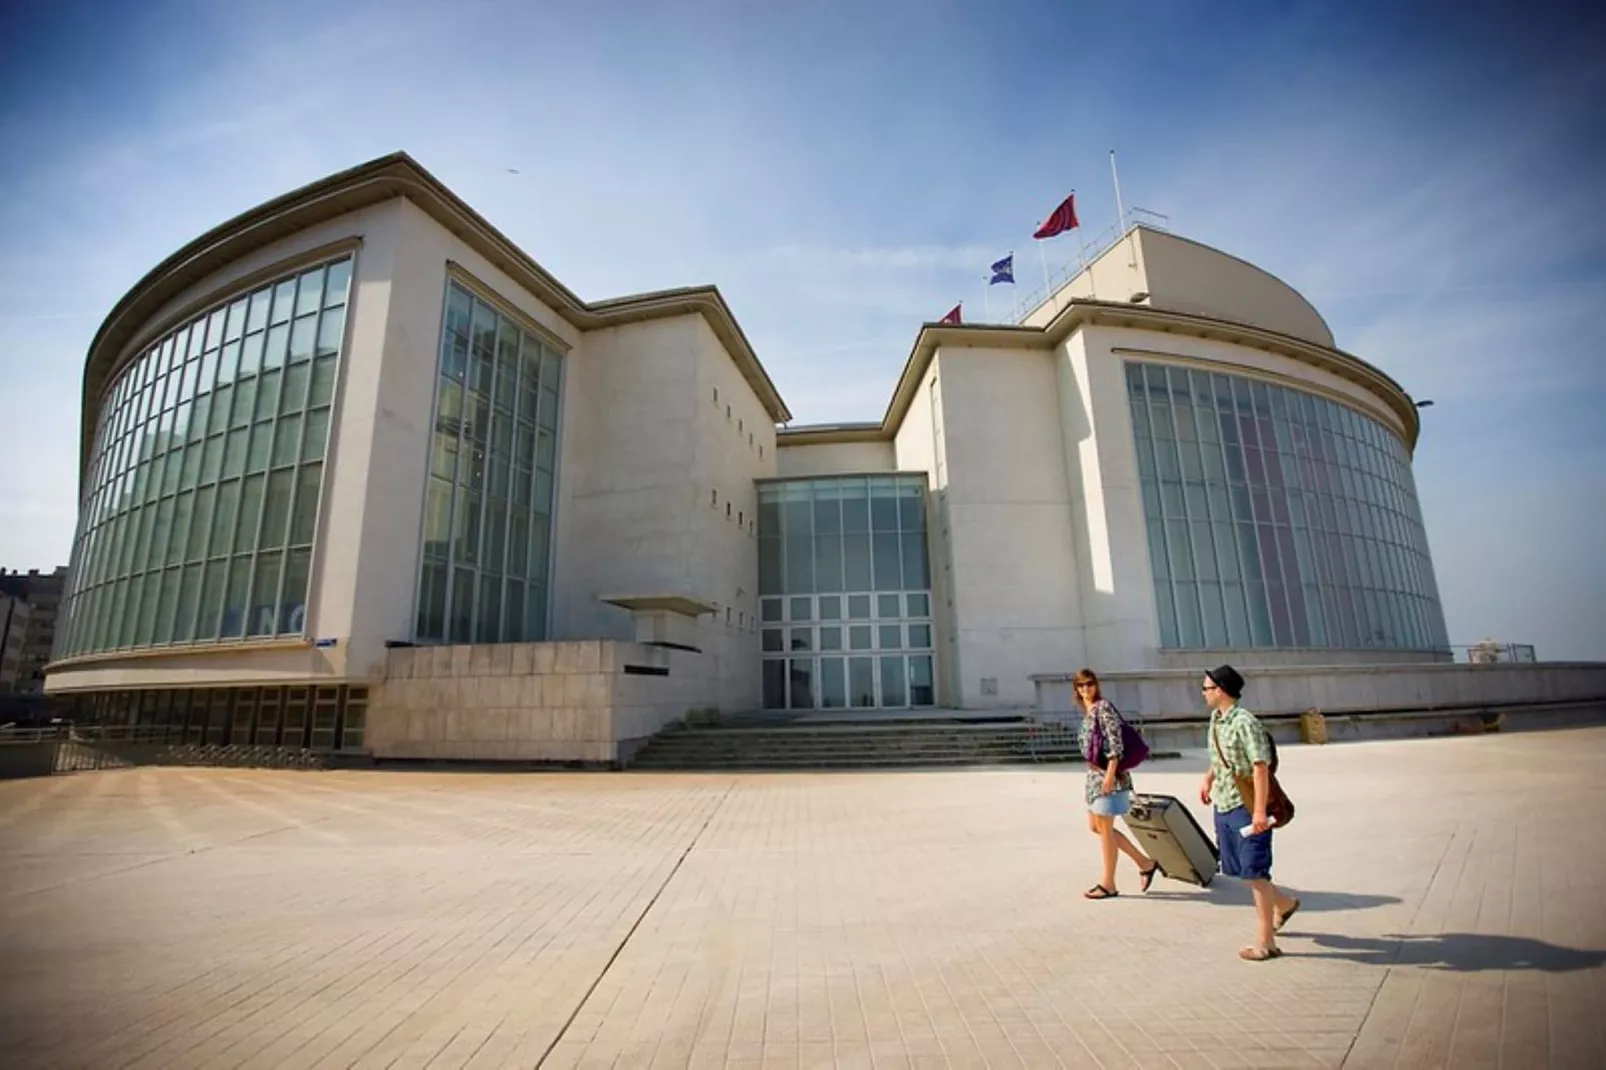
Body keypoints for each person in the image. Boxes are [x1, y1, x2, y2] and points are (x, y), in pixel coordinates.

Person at [1198, 664, 1300, 960]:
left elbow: (1260, 767)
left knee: (1256, 873)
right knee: (1243, 871)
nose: (1202, 693)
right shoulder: (1216, 720)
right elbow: (1220, 758)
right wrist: (1208, 779)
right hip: (1225, 802)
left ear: (1221, 691)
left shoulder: (1245, 722)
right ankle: (1284, 904)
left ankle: (1266, 943)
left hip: (1247, 806)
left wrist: (1258, 812)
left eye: (1206, 688)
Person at [1074, 668, 1158, 899]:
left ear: (1096, 685)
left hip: (1107, 776)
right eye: (1080, 686)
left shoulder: (1103, 707)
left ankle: (1108, 883)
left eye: (1089, 684)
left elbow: (1115, 742)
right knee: (1096, 827)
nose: (1085, 689)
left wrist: (1110, 775)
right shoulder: (1088, 711)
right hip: (1094, 778)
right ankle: (1145, 862)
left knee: (1106, 830)